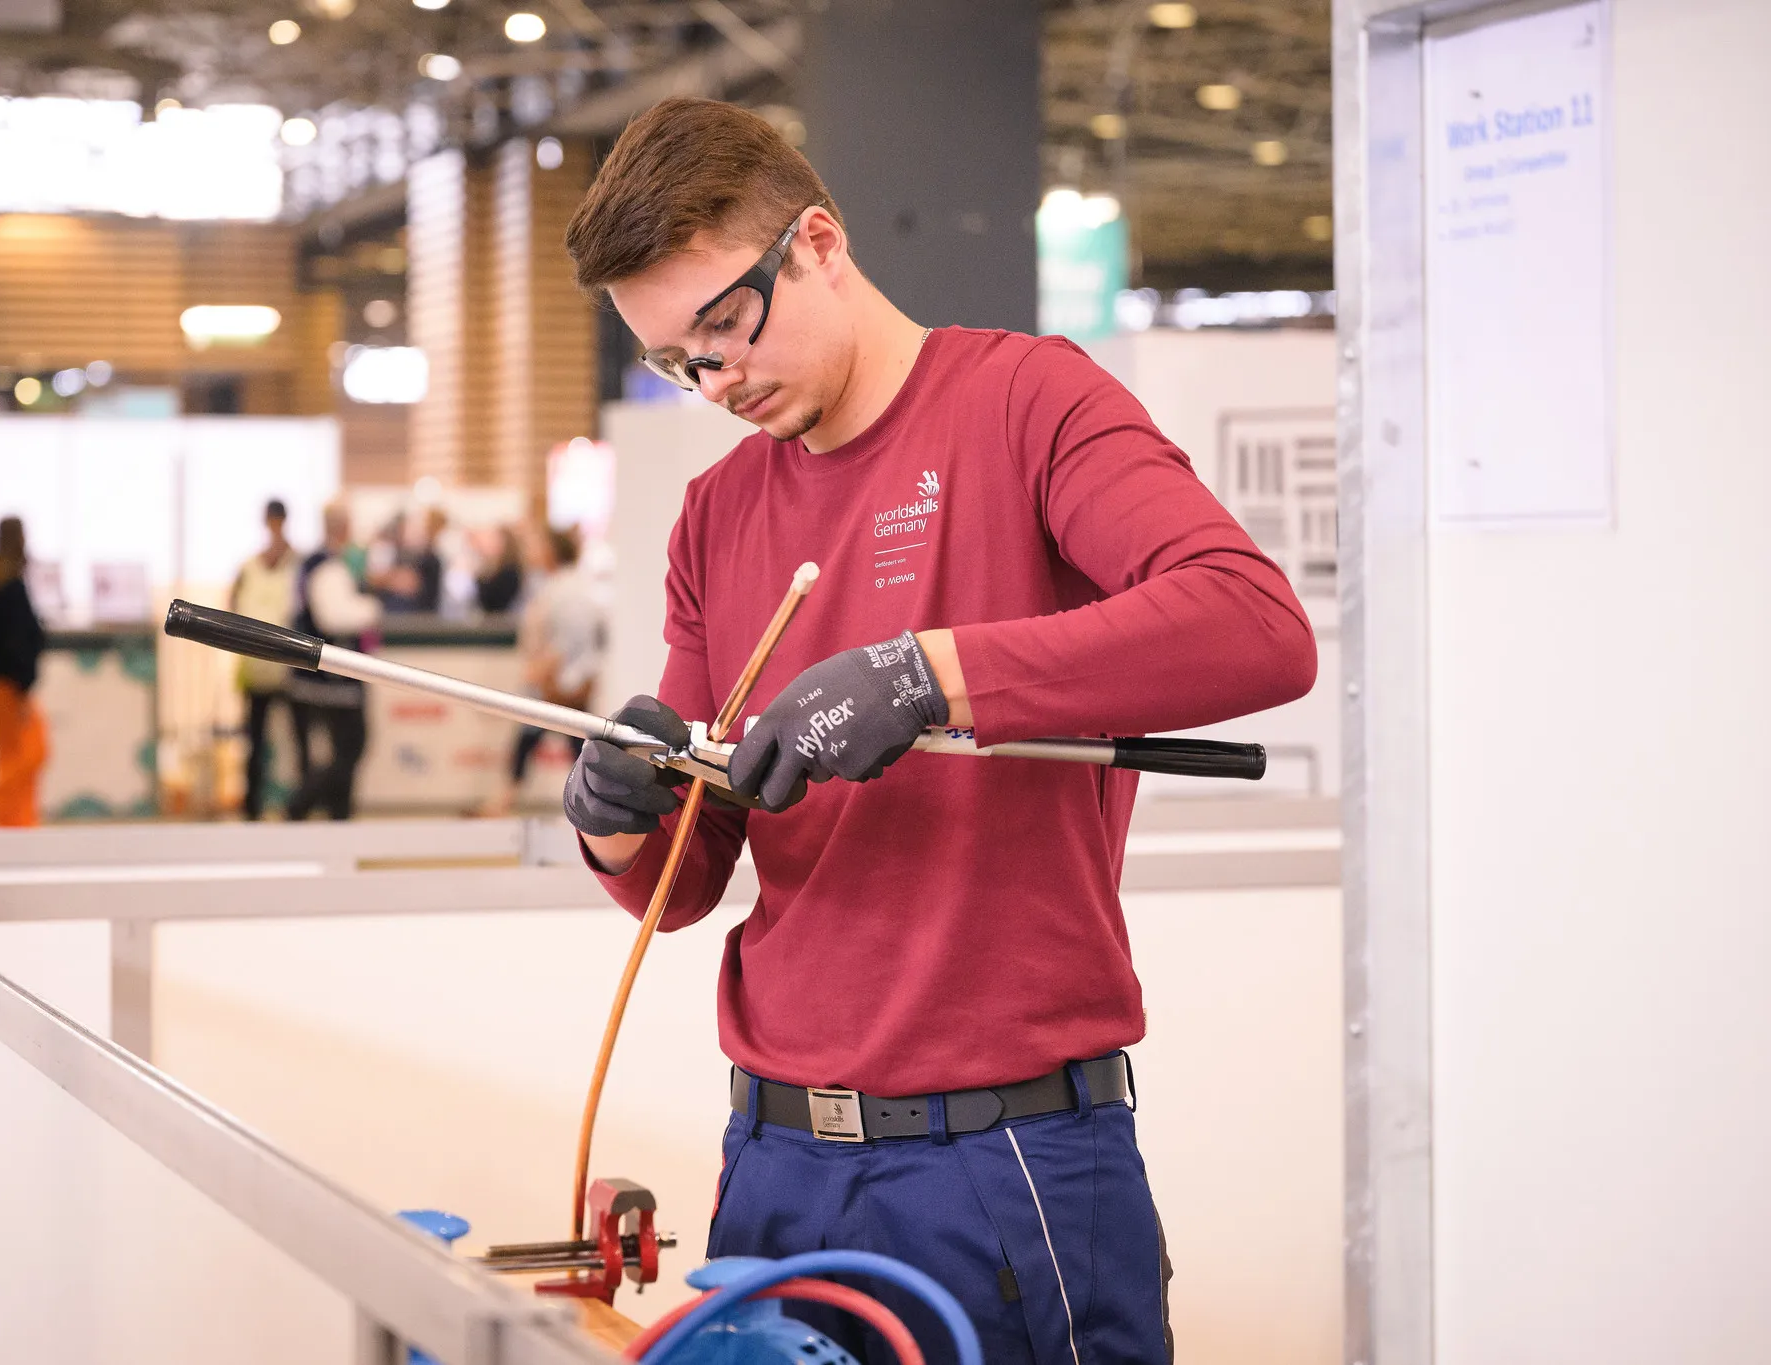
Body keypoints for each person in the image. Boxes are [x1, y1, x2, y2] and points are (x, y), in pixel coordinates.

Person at [557, 99, 1318, 1365]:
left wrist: (928, 676)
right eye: (675, 363)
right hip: (775, 1162)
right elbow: (686, 886)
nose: (716, 382)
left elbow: (1252, 626)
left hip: (1005, 1162)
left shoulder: (1028, 403)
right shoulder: (717, 513)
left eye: (725, 327)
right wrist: (615, 813)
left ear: (815, 242)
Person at [478, 526, 605, 817]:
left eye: (537, 545)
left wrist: (543, 668)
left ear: (551, 551)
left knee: (570, 742)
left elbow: (573, 638)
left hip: (563, 681)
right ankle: (509, 798)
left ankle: (593, 805)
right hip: (551, 679)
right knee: (538, 739)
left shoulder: (569, 589)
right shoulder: (551, 585)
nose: (530, 552)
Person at [285, 501, 382, 821]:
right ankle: (301, 806)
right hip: (330, 681)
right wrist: (370, 608)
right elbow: (334, 617)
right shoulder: (327, 566)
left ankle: (336, 814)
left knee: (342, 752)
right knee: (350, 747)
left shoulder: (313, 564)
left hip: (320, 680)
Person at [232, 498, 305, 819]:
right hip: (256, 669)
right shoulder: (249, 566)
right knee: (256, 744)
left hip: (293, 669)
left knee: (297, 742)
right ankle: (253, 807)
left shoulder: (299, 563)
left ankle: (299, 806)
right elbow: (233, 608)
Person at [0, 516, 48, 827]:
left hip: (2, 684)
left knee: (16, 754)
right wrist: (23, 684)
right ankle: (5, 810)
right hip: (10, 686)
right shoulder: (11, 587)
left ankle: (16, 816)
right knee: (27, 752)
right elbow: (16, 642)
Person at [473, 525, 525, 613]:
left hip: (501, 621)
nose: (491, 544)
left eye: (496, 540)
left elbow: (493, 601)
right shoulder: (491, 568)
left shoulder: (510, 571)